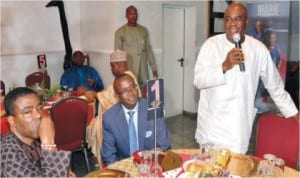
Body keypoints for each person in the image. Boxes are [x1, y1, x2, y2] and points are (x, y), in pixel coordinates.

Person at [193, 3, 299, 154]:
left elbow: (275, 86)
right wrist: (225, 65)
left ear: (246, 22)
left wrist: (293, 112)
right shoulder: (211, 46)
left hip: (238, 129)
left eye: (237, 19)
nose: (232, 24)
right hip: (212, 129)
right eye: (228, 19)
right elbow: (198, 80)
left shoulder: (258, 49)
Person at [1, 87, 74, 177]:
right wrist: (48, 143)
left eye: (40, 108)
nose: (38, 115)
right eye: (27, 112)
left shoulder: (33, 140)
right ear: (12, 121)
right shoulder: (9, 155)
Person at [85, 50, 141, 166]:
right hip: (124, 112)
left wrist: (94, 94)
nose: (111, 70)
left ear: (118, 65)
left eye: (112, 66)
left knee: (96, 125)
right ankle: (101, 155)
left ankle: (103, 157)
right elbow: (110, 96)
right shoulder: (127, 75)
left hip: (126, 116)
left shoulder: (125, 79)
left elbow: (111, 101)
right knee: (95, 123)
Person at [101, 74, 170, 165]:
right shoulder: (109, 118)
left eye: (132, 87)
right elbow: (108, 154)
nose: (131, 93)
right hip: (124, 166)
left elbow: (164, 144)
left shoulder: (154, 108)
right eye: (124, 90)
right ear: (117, 96)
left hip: (151, 163)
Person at [114, 5, 158, 90]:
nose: (133, 16)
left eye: (135, 14)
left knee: (145, 89)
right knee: (131, 89)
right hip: (129, 68)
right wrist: (120, 73)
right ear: (126, 16)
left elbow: (148, 50)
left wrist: (154, 68)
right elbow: (117, 55)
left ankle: (144, 103)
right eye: (131, 14)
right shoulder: (120, 32)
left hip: (143, 68)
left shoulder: (144, 30)